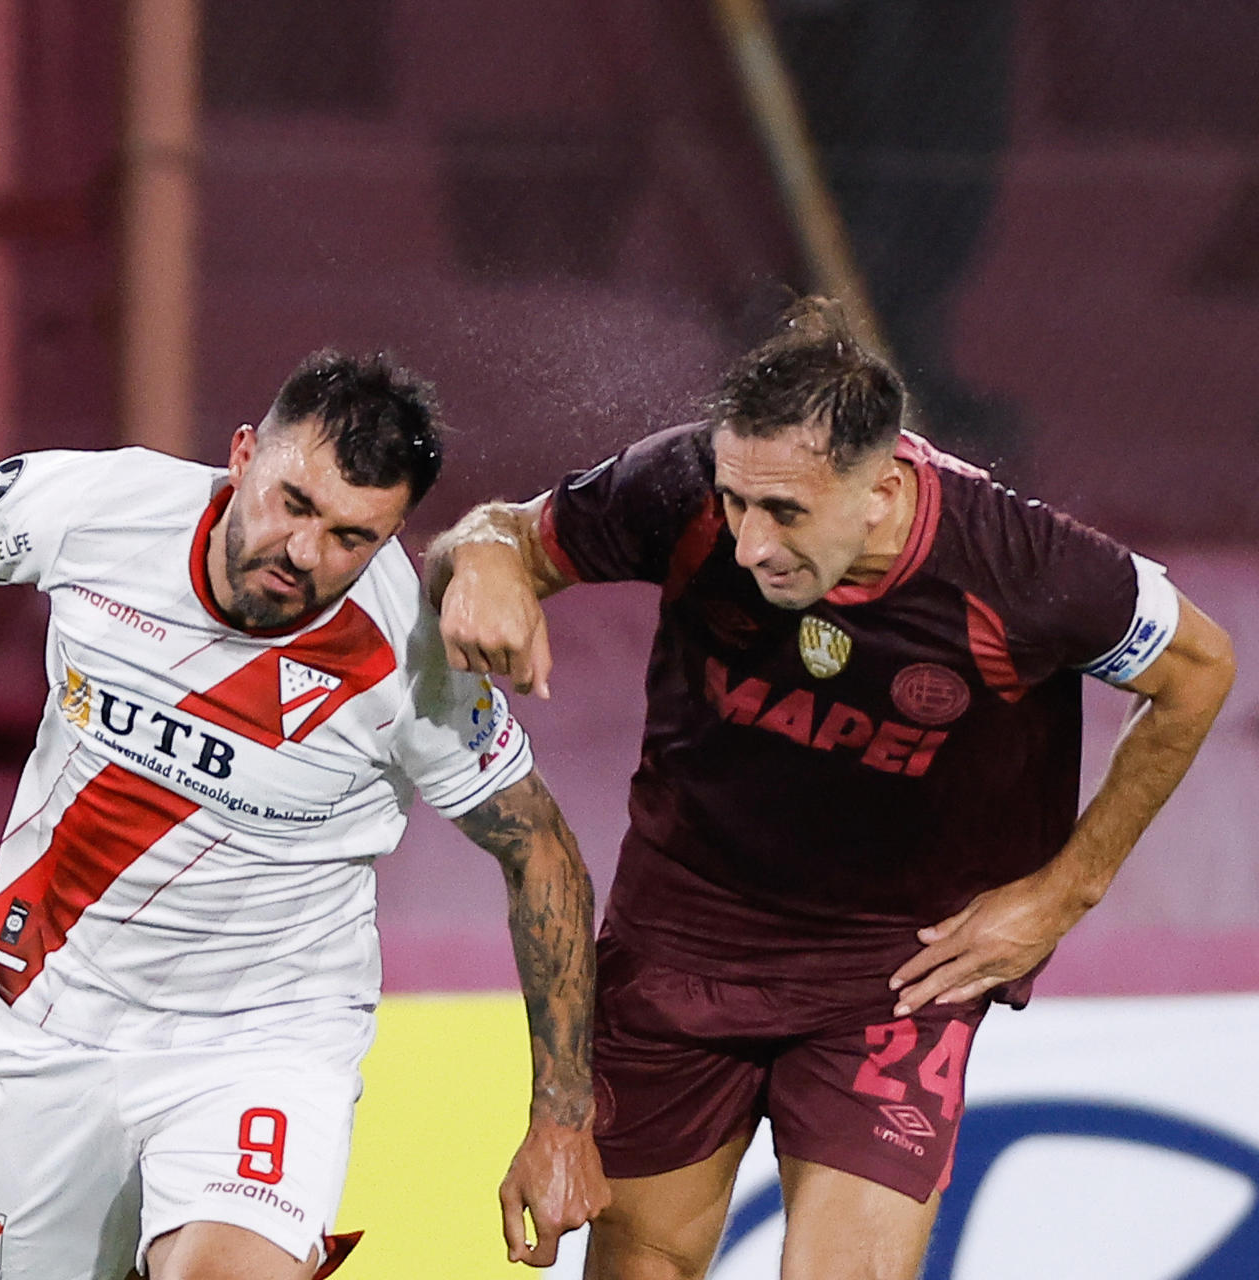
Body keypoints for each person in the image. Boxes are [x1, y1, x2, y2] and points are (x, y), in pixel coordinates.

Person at [0, 351, 611, 1278]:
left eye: (350, 535)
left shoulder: (408, 655)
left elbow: (545, 854)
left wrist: (562, 1117)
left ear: (389, 537)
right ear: (240, 457)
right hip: (58, 1017)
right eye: (291, 502)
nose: (303, 551)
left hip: (263, 1035)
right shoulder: (105, 507)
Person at [426, 297, 1237, 1280]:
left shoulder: (1021, 563)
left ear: (885, 487)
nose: (751, 540)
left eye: (786, 512)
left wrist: (1066, 889)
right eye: (735, 501)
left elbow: (1199, 667)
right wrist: (486, 562)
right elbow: (505, 531)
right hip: (685, 934)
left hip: (895, 970)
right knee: (640, 1265)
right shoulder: (681, 484)